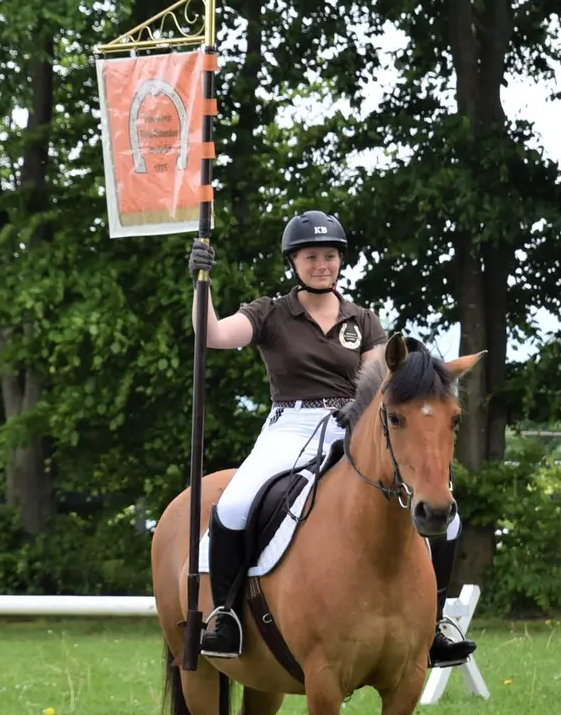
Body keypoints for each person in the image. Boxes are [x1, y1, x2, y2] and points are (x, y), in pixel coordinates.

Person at [186, 210, 476, 668]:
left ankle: (435, 622)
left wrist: (364, 408)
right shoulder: (270, 313)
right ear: (294, 262)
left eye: (329, 256)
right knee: (235, 503)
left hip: (353, 423)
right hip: (291, 424)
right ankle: (225, 614)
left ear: (340, 261)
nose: (322, 264)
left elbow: (384, 375)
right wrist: (201, 286)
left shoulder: (362, 318)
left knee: (449, 517)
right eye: (311, 257)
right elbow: (215, 334)